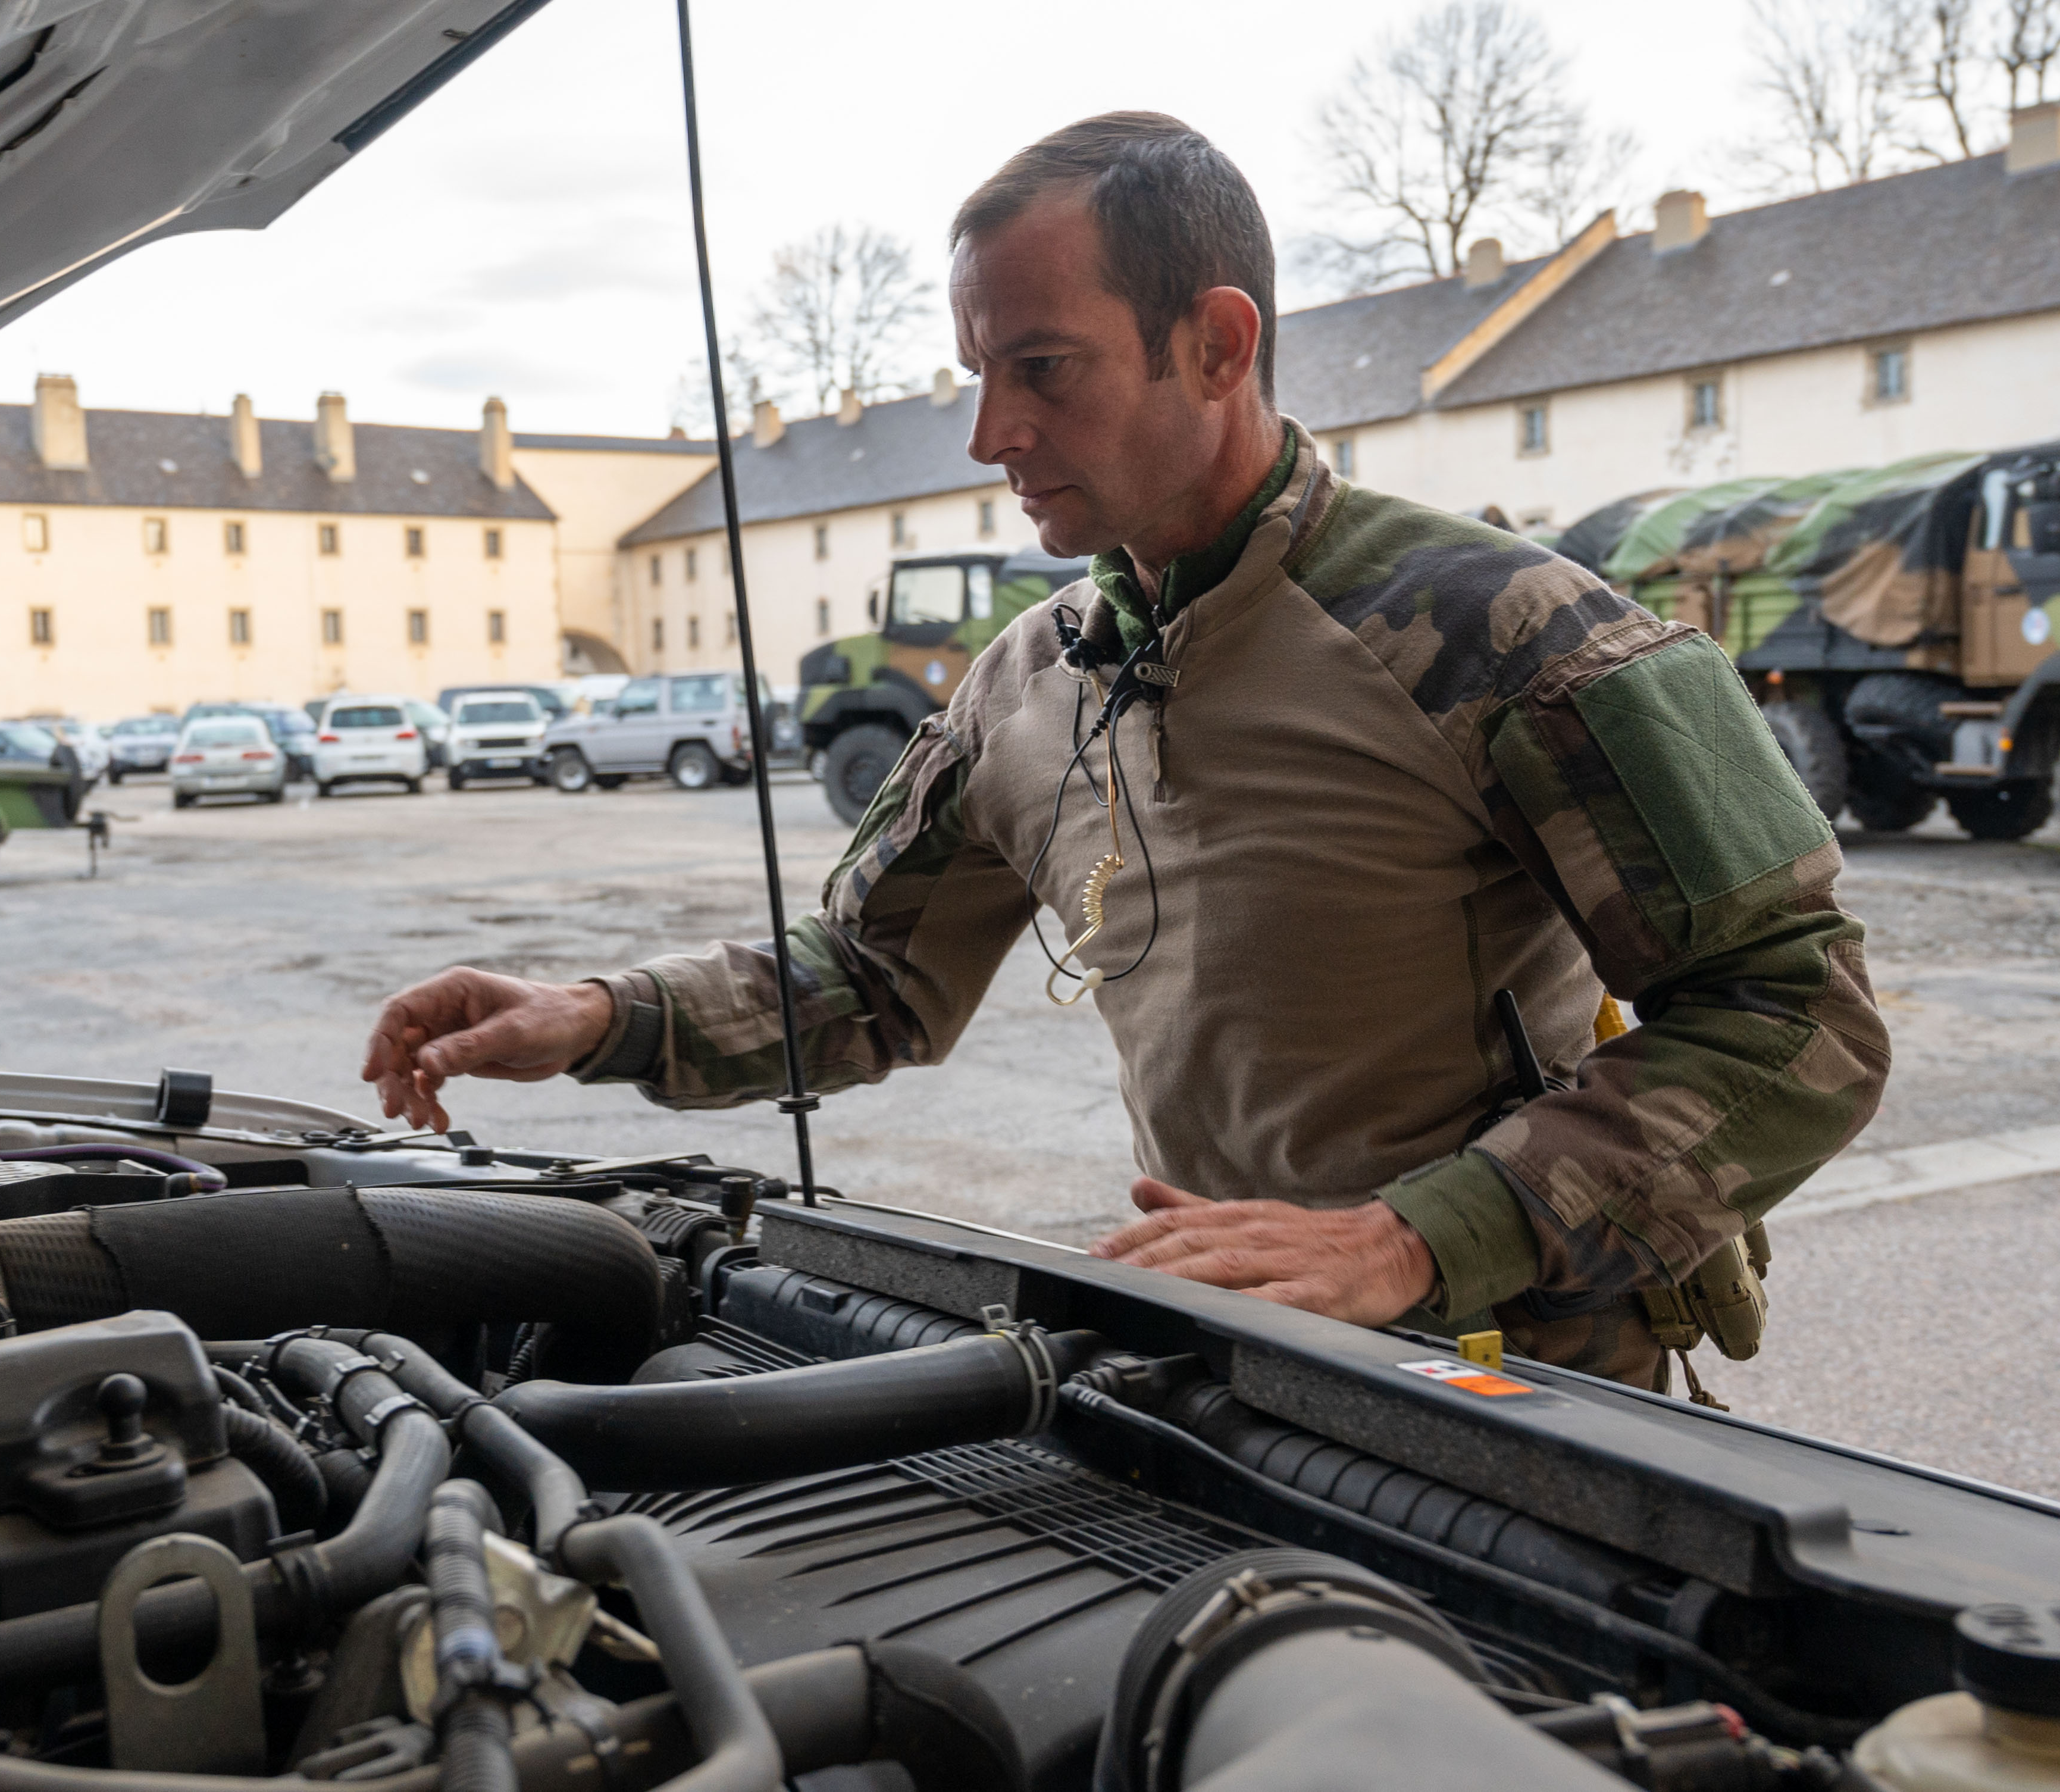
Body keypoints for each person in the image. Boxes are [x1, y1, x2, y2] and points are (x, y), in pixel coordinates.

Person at [358, 113, 1889, 1390]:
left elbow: (1799, 1013)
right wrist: (593, 1016)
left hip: (1520, 1380)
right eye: (976, 373)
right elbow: (870, 981)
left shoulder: (1510, 631)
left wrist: (1413, 1238)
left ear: (1215, 345)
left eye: (1040, 368)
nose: (986, 436)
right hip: (1227, 1348)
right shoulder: (1024, 680)